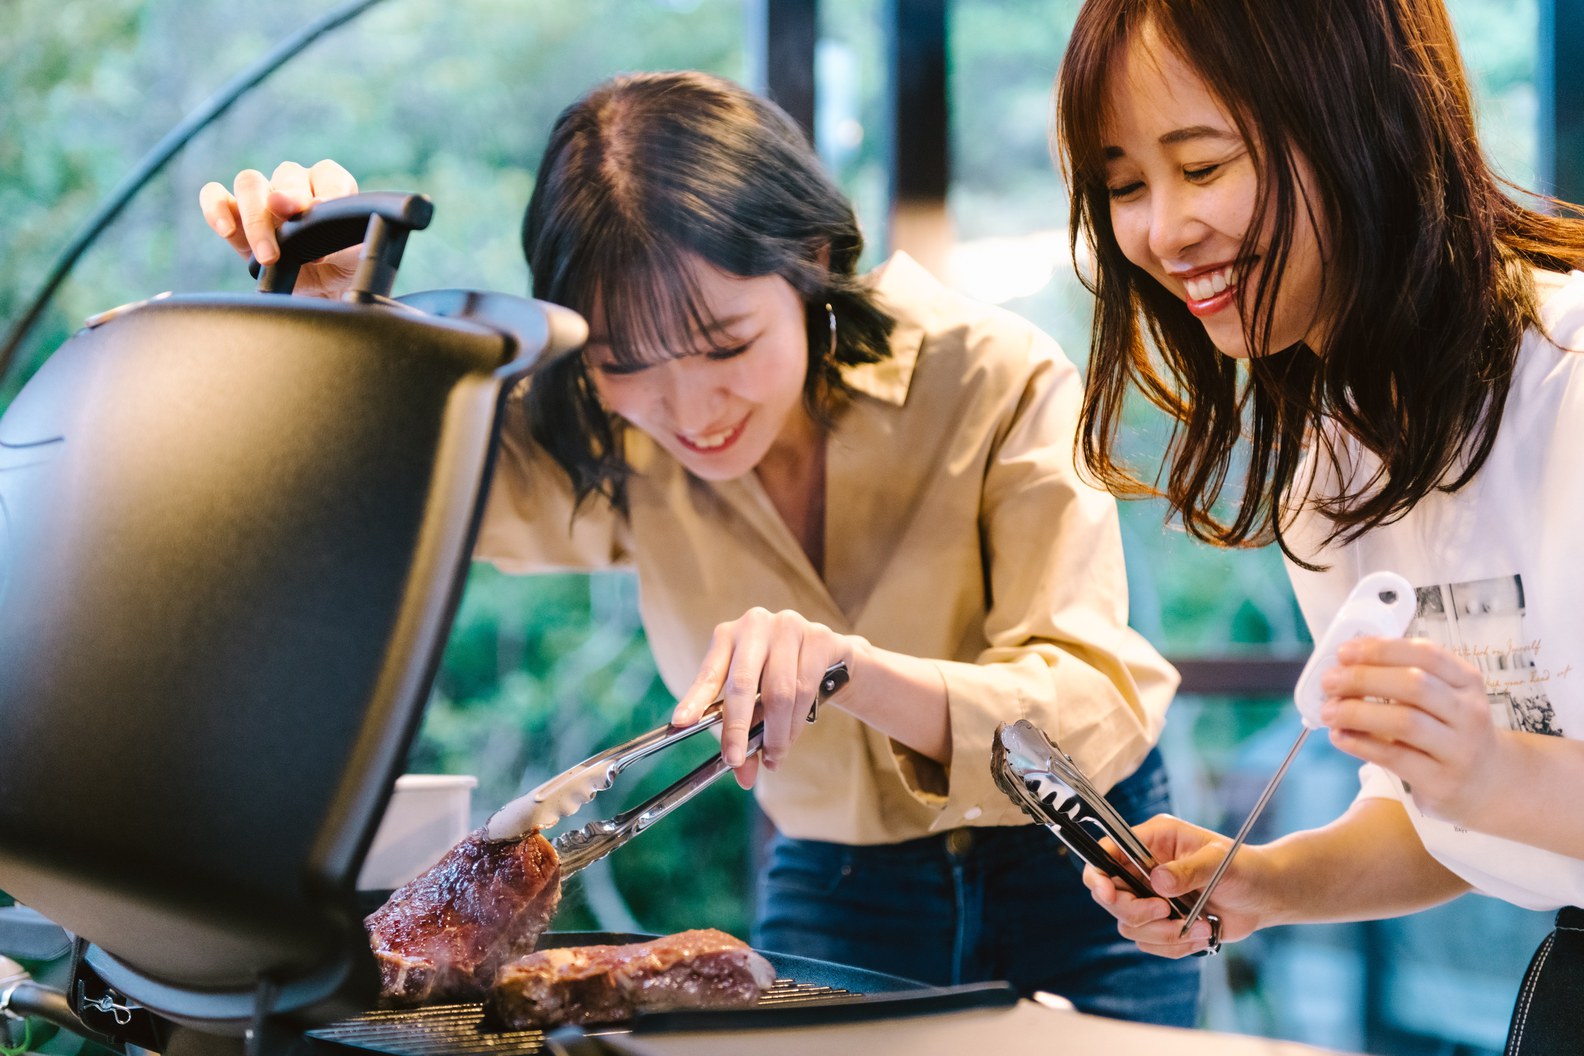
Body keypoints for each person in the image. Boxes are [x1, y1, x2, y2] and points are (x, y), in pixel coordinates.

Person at [199, 71, 1202, 1023]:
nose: (689, 411)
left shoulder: (990, 374)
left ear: (810, 260)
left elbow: (1092, 707)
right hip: (839, 869)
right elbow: (374, 496)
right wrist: (341, 319)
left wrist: (848, 671)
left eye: (727, 344)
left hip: (1079, 869)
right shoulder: (607, 429)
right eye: (622, 362)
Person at [1050, 0, 1584, 1050]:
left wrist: (1495, 771)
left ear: (1360, 120)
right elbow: (1438, 818)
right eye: (1124, 187)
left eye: (1201, 168)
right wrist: (1258, 882)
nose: (1162, 230)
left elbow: (1491, 787)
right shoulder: (1328, 465)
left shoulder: (1568, 381)